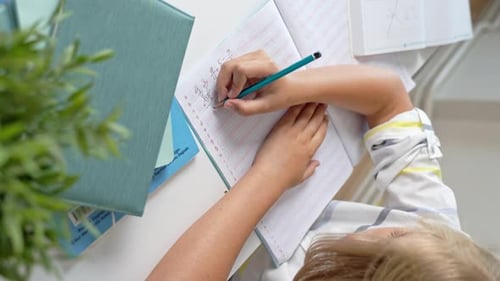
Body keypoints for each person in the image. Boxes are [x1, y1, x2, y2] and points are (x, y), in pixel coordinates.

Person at [147, 50, 500, 281]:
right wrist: (292, 87)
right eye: (398, 232)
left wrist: (270, 176)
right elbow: (391, 97)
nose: (394, 229)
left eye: (378, 254)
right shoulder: (438, 244)